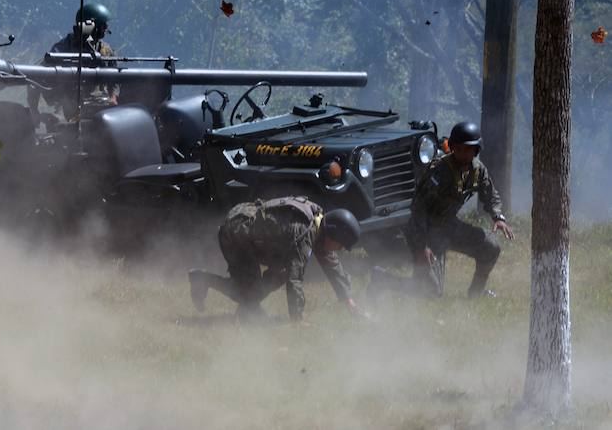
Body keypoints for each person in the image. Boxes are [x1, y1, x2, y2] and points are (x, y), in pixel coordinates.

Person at [368, 121, 515, 299]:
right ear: (452, 148)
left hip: (449, 227)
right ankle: (383, 279)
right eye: (459, 149)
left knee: (491, 247)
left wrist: (498, 217)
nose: (463, 154)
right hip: (423, 231)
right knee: (429, 292)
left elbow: (491, 195)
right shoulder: (439, 171)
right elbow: (419, 210)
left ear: (476, 150)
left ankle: (476, 293)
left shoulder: (478, 170)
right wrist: (422, 246)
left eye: (468, 150)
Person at [188, 197, 363, 322]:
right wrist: (298, 320)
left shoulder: (318, 222)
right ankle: (202, 279)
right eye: (340, 245)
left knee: (278, 275)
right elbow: (295, 279)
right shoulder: (304, 233)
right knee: (248, 293)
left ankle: (249, 308)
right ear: (332, 235)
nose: (340, 250)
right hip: (236, 236)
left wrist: (348, 299)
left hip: (250, 235)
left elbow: (330, 261)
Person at [27, 2, 119, 123]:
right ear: (90, 25)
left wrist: (113, 98)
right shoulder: (62, 49)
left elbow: (116, 78)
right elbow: (35, 77)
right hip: (67, 105)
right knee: (61, 126)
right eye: (103, 25)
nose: (106, 28)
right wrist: (33, 110)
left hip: (99, 104)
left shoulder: (106, 51)